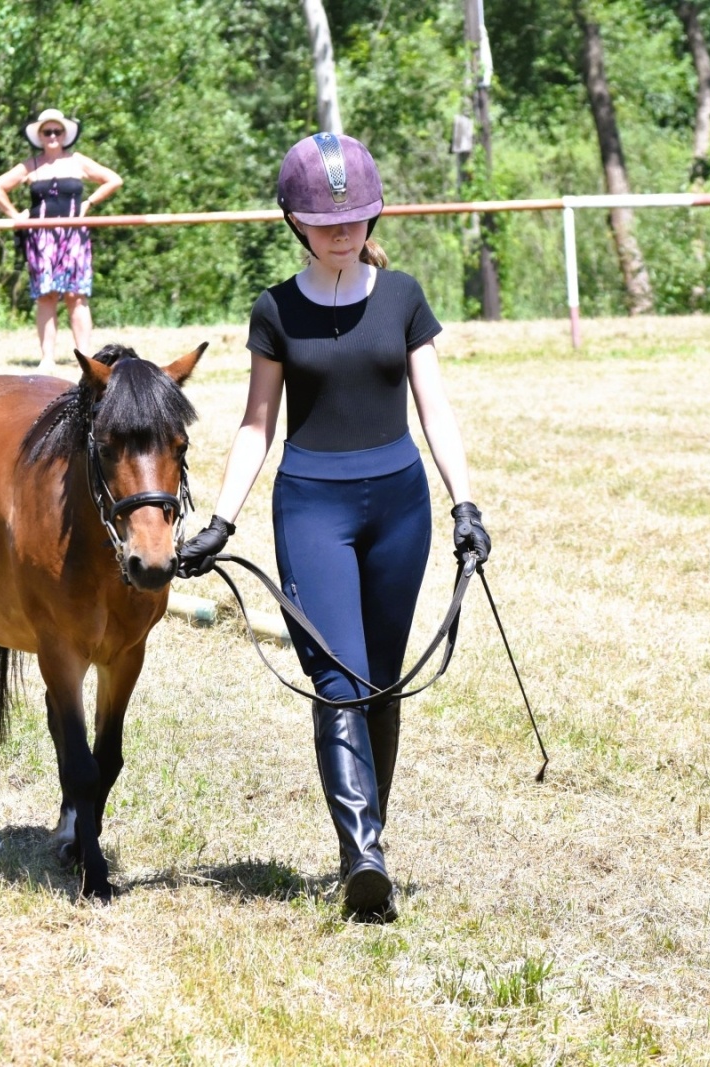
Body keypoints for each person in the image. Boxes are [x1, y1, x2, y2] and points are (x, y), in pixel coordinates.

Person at [175, 133, 492, 921]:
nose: (341, 231)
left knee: (383, 680)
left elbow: (435, 408)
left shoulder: (404, 297)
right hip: (311, 502)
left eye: (354, 218)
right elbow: (257, 424)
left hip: (400, 504)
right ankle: (363, 856)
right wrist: (221, 518)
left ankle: (370, 837)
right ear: (295, 221)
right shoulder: (275, 311)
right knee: (339, 679)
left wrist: (465, 501)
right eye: (324, 220)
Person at [0, 108, 123, 375]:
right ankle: (47, 358)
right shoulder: (31, 165)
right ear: (39, 136)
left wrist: (89, 203)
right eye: (47, 131)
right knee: (46, 296)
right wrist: (16, 216)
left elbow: (113, 180)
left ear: (64, 135)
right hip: (41, 239)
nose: (52, 136)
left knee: (76, 296)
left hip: (74, 236)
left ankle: (86, 358)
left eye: (57, 131)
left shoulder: (77, 161)